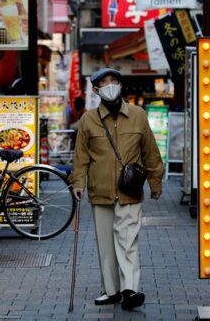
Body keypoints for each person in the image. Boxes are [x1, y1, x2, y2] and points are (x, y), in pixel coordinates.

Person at [71, 68, 163, 311]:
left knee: (127, 240)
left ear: (121, 85)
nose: (110, 85)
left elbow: (150, 152)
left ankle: (130, 289)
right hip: (99, 191)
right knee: (106, 244)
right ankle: (111, 291)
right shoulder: (88, 119)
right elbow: (80, 158)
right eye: (104, 82)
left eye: (113, 80)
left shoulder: (138, 115)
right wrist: (78, 183)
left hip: (129, 190)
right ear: (95, 89)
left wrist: (156, 183)